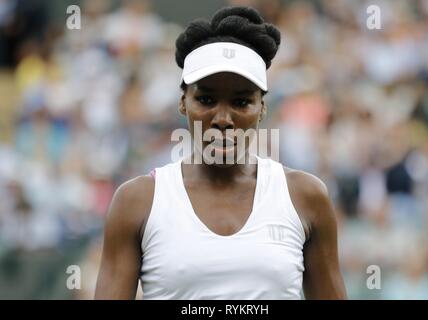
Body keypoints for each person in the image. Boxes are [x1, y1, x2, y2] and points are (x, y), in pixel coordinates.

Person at [95, 6, 347, 300]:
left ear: (261, 108)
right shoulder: (137, 201)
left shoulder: (306, 197)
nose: (223, 118)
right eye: (206, 99)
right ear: (183, 102)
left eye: (241, 102)